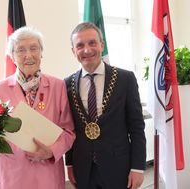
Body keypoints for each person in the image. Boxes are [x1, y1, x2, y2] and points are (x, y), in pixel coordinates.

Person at [65, 22, 146, 189]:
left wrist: (138, 167)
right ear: (74, 51)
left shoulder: (125, 79)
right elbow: (69, 128)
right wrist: (70, 164)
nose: (87, 50)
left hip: (118, 167)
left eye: (92, 43)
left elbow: (136, 127)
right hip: (83, 169)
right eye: (80, 45)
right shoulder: (67, 84)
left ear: (102, 45)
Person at [0, 26, 75, 189]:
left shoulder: (58, 86)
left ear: (41, 53)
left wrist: (51, 151)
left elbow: (69, 132)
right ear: (12, 56)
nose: (28, 55)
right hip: (13, 175)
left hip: (47, 174)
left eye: (33, 48)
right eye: (20, 50)